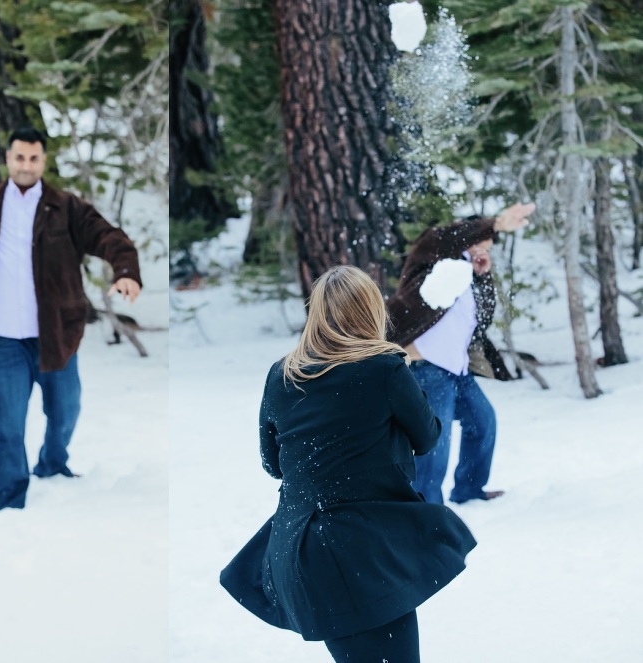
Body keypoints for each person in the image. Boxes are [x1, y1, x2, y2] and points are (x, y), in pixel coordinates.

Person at [220, 266, 477, 663]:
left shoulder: (282, 374)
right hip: (360, 550)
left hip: (301, 552)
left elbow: (274, 463)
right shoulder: (384, 368)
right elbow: (427, 438)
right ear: (370, 311)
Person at [0, 126, 142, 513]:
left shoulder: (66, 207)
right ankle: (6, 501)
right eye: (19, 157)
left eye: (33, 158)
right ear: (8, 159)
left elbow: (108, 236)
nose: (26, 165)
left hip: (55, 333)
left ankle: (53, 465)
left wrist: (126, 270)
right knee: (9, 425)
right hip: (3, 338)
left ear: (43, 161)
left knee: (65, 411)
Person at [386, 202, 533, 505]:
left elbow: (483, 318)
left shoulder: (468, 272)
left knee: (483, 423)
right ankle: (426, 509)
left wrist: (481, 274)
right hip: (425, 367)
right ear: (467, 236)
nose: (485, 250)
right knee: (433, 443)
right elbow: (446, 235)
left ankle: (468, 490)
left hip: (455, 368)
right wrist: (496, 223)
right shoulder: (432, 258)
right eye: (483, 242)